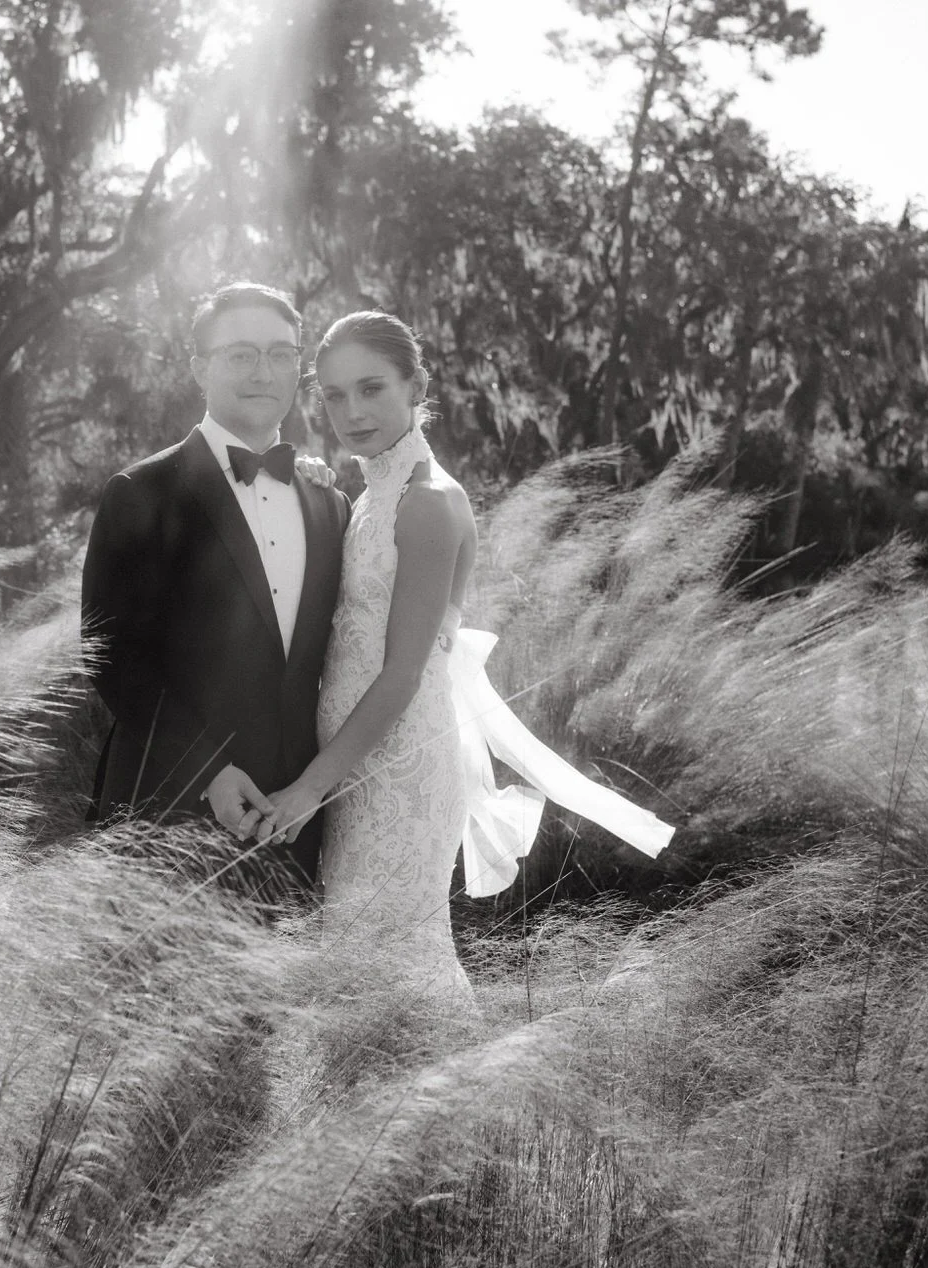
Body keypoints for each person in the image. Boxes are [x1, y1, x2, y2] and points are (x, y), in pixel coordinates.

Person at [258, 312, 674, 994]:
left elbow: (402, 674)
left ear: (415, 385)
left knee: (396, 960)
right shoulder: (373, 493)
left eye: (371, 389)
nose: (351, 411)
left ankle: (443, 1087)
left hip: (396, 768)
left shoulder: (427, 501)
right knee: (360, 964)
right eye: (333, 395)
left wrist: (310, 785)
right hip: (352, 766)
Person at [80, 282, 350, 909]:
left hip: (293, 820)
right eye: (241, 354)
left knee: (284, 1006)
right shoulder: (140, 491)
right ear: (199, 367)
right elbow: (113, 656)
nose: (265, 372)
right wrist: (208, 773)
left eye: (282, 354)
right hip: (169, 811)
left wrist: (309, 789)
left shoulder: (328, 504)